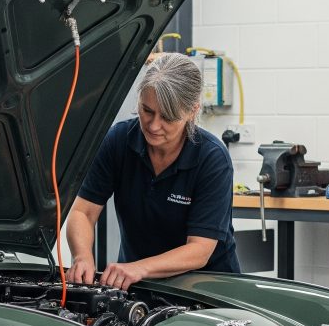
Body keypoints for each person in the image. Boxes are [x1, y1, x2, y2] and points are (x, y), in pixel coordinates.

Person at [66, 52, 241, 291]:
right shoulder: (118, 141)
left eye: (167, 117)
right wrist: (82, 256)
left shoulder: (212, 159)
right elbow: (83, 213)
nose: (153, 125)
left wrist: (138, 268)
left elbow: (199, 249)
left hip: (207, 290)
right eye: (147, 110)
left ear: (192, 111)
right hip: (138, 285)